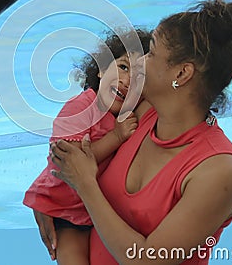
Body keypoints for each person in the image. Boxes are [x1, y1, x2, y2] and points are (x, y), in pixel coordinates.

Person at [41, 0, 232, 264]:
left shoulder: (218, 171)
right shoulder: (141, 115)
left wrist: (85, 186)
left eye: (151, 52)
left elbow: (147, 261)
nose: (140, 61)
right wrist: (48, 199)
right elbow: (76, 154)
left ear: (182, 74)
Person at [23, 27, 152, 265]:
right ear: (102, 69)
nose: (127, 81)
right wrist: (116, 137)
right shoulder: (82, 106)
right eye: (123, 67)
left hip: (92, 208)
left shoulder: (127, 116)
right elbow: (69, 162)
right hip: (63, 208)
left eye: (140, 80)